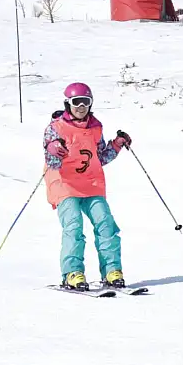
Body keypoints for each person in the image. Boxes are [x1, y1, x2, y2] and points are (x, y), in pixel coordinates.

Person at [43, 82, 132, 291]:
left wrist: (116, 145)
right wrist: (53, 149)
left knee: (106, 224)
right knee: (73, 225)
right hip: (64, 183)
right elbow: (52, 160)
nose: (81, 107)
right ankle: (72, 272)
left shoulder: (95, 127)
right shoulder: (54, 128)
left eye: (86, 102)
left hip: (91, 183)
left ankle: (112, 271)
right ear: (68, 104)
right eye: (77, 102)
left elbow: (99, 157)